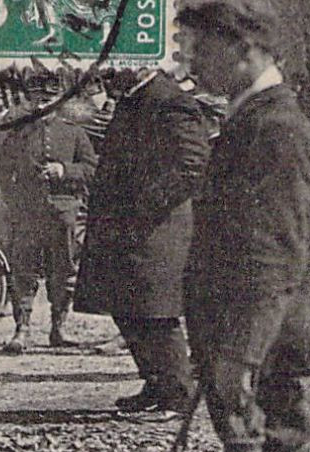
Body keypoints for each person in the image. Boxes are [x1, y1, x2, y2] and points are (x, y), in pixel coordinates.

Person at [180, 0, 310, 452]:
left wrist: (244, 351)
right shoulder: (251, 117)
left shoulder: (275, 127)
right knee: (268, 451)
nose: (191, 61)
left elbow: (278, 251)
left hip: (266, 332)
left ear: (246, 51)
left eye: (203, 48)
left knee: (281, 449)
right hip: (246, 328)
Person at [73, 65, 210, 417]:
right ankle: (156, 384)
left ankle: (177, 395)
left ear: (143, 64)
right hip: (129, 230)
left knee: (155, 314)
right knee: (129, 310)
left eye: (118, 65)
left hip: (155, 230)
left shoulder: (171, 101)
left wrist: (140, 204)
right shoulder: (135, 99)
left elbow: (192, 166)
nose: (109, 73)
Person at [0, 81, 98, 353]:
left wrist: (64, 170)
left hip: (64, 211)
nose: (43, 104)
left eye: (49, 98)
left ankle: (58, 327)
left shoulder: (74, 133)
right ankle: (23, 329)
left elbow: (92, 169)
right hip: (28, 212)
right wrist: (15, 201)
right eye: (38, 98)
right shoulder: (19, 133)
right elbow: (3, 171)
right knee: (23, 270)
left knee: (63, 269)